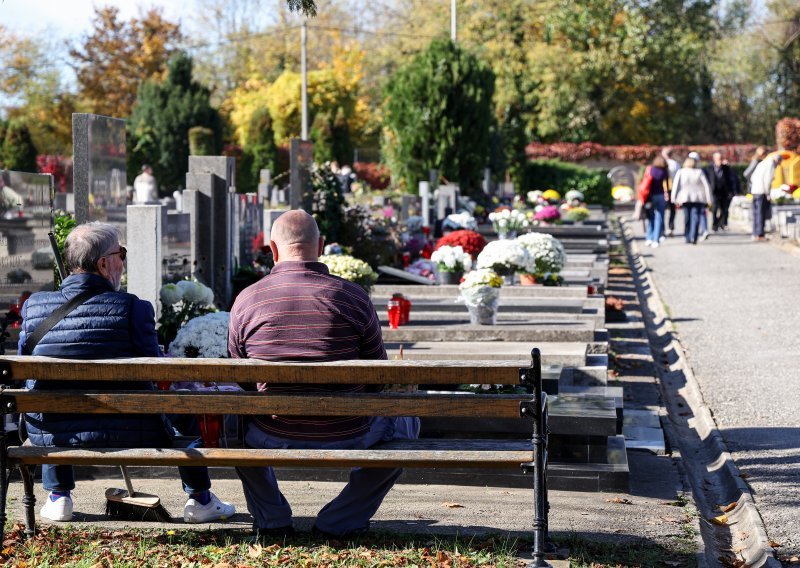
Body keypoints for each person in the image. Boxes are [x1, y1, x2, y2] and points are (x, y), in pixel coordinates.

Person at [18, 222, 235, 523]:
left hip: (51, 431)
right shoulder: (133, 308)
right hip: (134, 426)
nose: (123, 261)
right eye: (121, 253)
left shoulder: (34, 308)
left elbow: (25, 365)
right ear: (104, 263)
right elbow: (153, 368)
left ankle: (58, 497)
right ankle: (200, 499)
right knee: (184, 411)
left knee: (48, 395)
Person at [228, 210, 419, 538]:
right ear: (322, 245)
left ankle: (272, 520)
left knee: (234, 421)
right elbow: (378, 374)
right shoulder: (354, 298)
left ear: (273, 250)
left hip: (271, 430)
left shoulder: (247, 301)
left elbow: (241, 378)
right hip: (350, 429)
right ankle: (340, 522)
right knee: (407, 422)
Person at [671, 156, 713, 244]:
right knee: (695, 217)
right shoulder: (699, 172)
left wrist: (673, 198)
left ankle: (687, 236)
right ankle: (694, 236)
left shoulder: (681, 172)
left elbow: (675, 185)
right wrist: (709, 199)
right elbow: (706, 186)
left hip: (685, 198)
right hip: (698, 198)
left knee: (687, 218)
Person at [749, 153, 782, 241]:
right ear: (778, 161)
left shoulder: (762, 163)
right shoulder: (770, 164)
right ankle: (760, 234)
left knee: (756, 213)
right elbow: (767, 180)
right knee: (761, 213)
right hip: (762, 191)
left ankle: (755, 233)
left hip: (755, 190)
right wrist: (768, 193)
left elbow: (752, 177)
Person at [705, 152, 740, 232]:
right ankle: (714, 224)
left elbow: (731, 179)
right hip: (714, 192)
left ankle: (721, 223)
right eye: (718, 159)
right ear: (714, 159)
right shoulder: (709, 168)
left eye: (720, 158)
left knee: (724, 209)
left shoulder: (726, 168)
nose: (719, 160)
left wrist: (732, 191)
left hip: (724, 192)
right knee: (714, 209)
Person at [643, 156, 670, 247]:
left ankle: (648, 237)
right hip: (661, 195)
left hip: (651, 196)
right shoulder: (664, 171)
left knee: (651, 217)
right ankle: (656, 239)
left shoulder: (650, 169)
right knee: (660, 217)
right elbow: (667, 184)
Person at [688, 152, 711, 240]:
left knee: (697, 214)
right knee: (700, 213)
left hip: (698, 197)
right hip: (698, 197)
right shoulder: (698, 170)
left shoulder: (701, 171)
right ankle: (701, 231)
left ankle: (699, 232)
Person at [661, 148, 681, 236]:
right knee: (672, 210)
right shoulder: (676, 164)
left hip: (663, 189)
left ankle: (662, 229)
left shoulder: (662, 164)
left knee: (662, 210)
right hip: (673, 189)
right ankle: (670, 227)